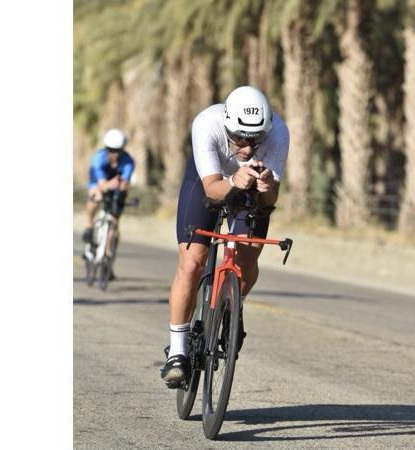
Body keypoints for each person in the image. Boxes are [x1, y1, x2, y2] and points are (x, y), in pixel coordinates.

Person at [160, 86, 289, 387]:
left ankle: (232, 304)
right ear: (228, 126)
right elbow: (212, 190)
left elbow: (270, 200)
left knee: (246, 259)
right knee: (192, 262)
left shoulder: (279, 133)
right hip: (210, 180)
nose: (247, 149)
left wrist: (267, 187)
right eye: (240, 139)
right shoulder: (207, 123)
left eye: (255, 140)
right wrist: (233, 180)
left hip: (249, 189)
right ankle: (177, 352)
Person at [83, 128, 134, 270]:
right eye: (110, 150)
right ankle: (89, 226)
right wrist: (109, 185)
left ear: (122, 149)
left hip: (115, 186)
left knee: (115, 220)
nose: (114, 153)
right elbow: (102, 185)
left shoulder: (128, 161)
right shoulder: (98, 158)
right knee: (95, 196)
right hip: (98, 181)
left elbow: (124, 184)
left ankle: (108, 256)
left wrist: (119, 188)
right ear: (106, 148)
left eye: (117, 150)